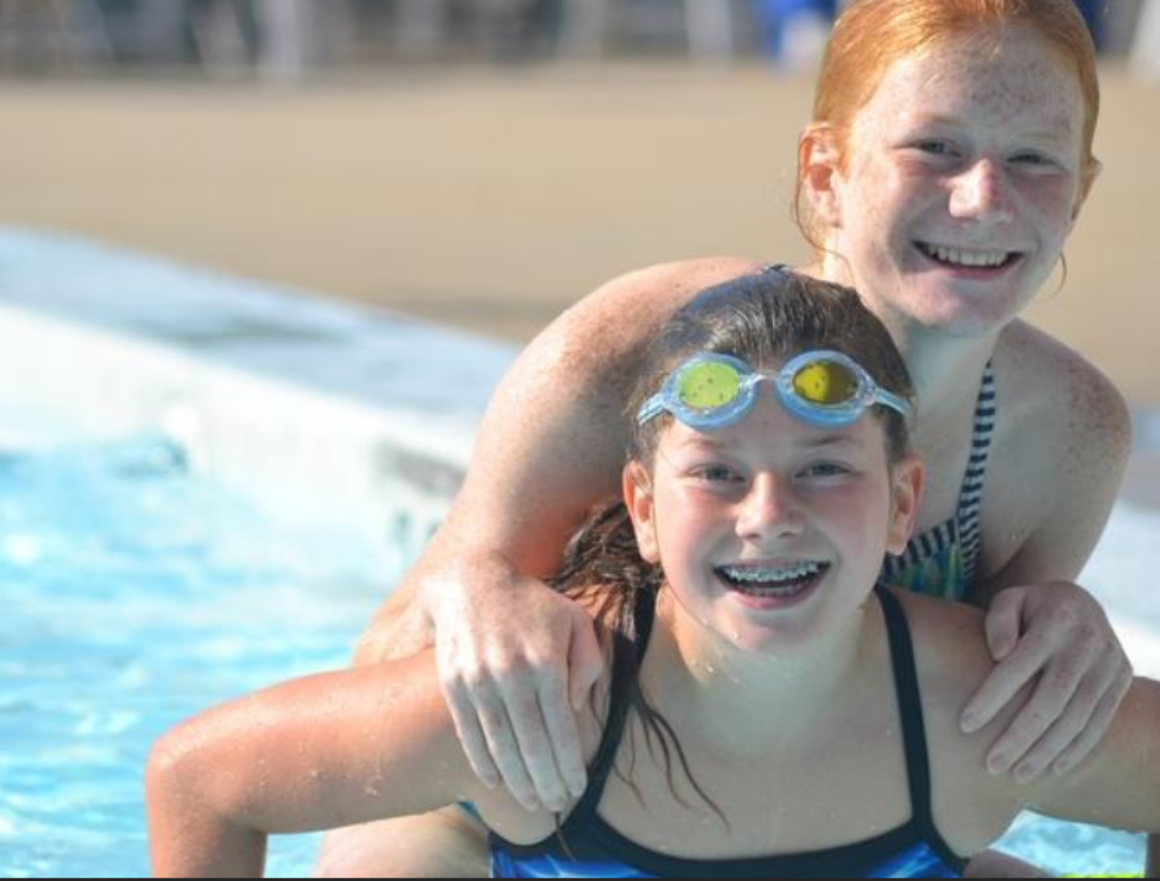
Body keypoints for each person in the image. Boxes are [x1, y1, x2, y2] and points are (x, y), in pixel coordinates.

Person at [316, 0, 1145, 880]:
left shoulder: (1067, 434)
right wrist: (477, 596)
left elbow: (975, 744)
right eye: (936, 148)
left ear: (1078, 198)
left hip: (828, 841)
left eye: (1033, 159)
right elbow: (387, 668)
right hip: (515, 837)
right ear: (826, 175)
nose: (984, 197)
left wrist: (1057, 640)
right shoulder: (640, 349)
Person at [147, 272, 1160, 880]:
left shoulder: (965, 713)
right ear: (640, 506)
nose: (768, 515)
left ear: (902, 500)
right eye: (716, 475)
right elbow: (197, 779)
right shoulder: (551, 707)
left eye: (821, 469)